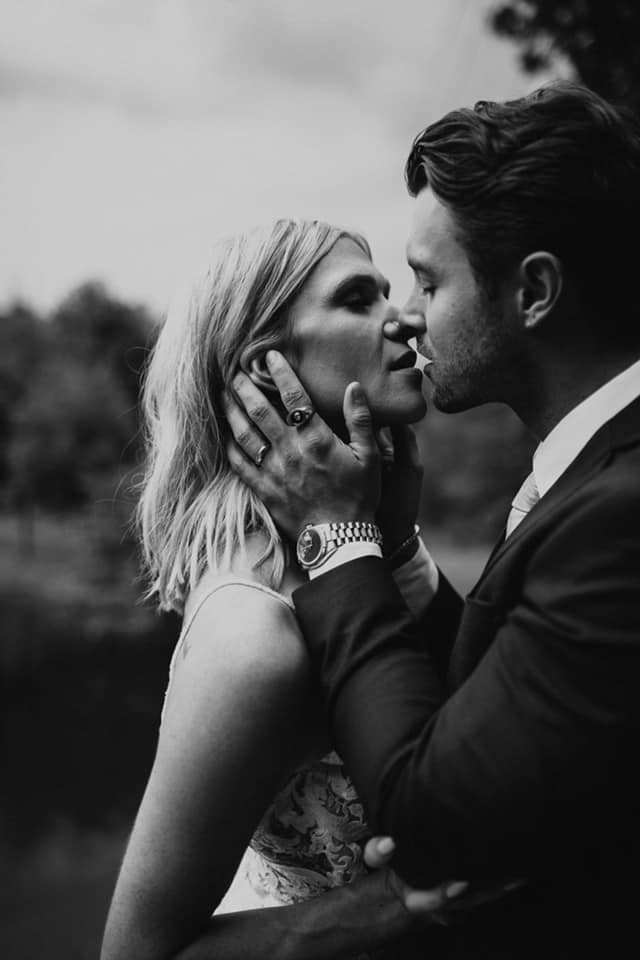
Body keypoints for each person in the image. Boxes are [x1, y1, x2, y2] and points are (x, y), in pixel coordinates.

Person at [224, 81, 640, 957]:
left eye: (425, 280)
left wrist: (338, 537)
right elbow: (514, 696)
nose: (405, 319)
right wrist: (401, 552)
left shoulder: (620, 514)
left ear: (533, 292)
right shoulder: (593, 481)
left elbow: (430, 826)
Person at [101, 218, 464, 960]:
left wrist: (396, 548)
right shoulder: (252, 638)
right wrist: (389, 906)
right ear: (271, 372)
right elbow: (137, 952)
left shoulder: (358, 552)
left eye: (391, 291)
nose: (403, 319)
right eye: (359, 298)